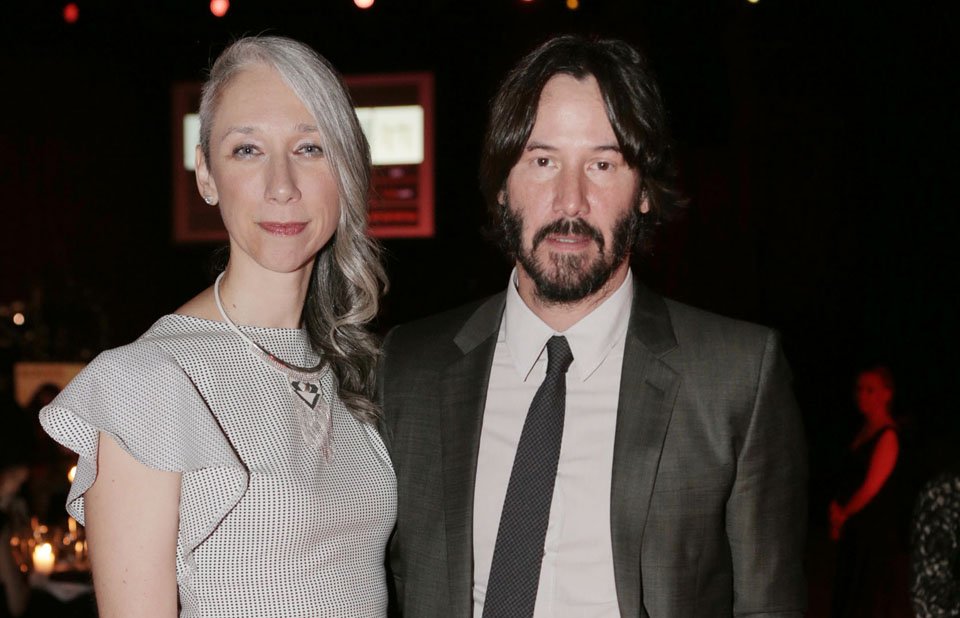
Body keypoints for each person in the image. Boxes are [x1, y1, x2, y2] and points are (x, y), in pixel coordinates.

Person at [380, 35, 807, 617]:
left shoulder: (737, 376)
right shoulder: (408, 368)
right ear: (504, 184)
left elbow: (768, 607)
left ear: (645, 192)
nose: (571, 200)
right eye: (543, 160)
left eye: (602, 164)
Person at [39, 36, 395, 617]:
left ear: (347, 171)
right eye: (247, 151)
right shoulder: (149, 382)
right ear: (206, 175)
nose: (282, 185)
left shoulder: (356, 373)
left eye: (310, 147)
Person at [829, 366, 911, 616]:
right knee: (846, 598)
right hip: (855, 530)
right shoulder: (864, 430)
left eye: (870, 390)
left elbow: (871, 487)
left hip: (873, 535)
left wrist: (842, 513)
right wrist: (835, 507)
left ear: (886, 394)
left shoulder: (888, 435)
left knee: (864, 602)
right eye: (860, 389)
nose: (862, 395)